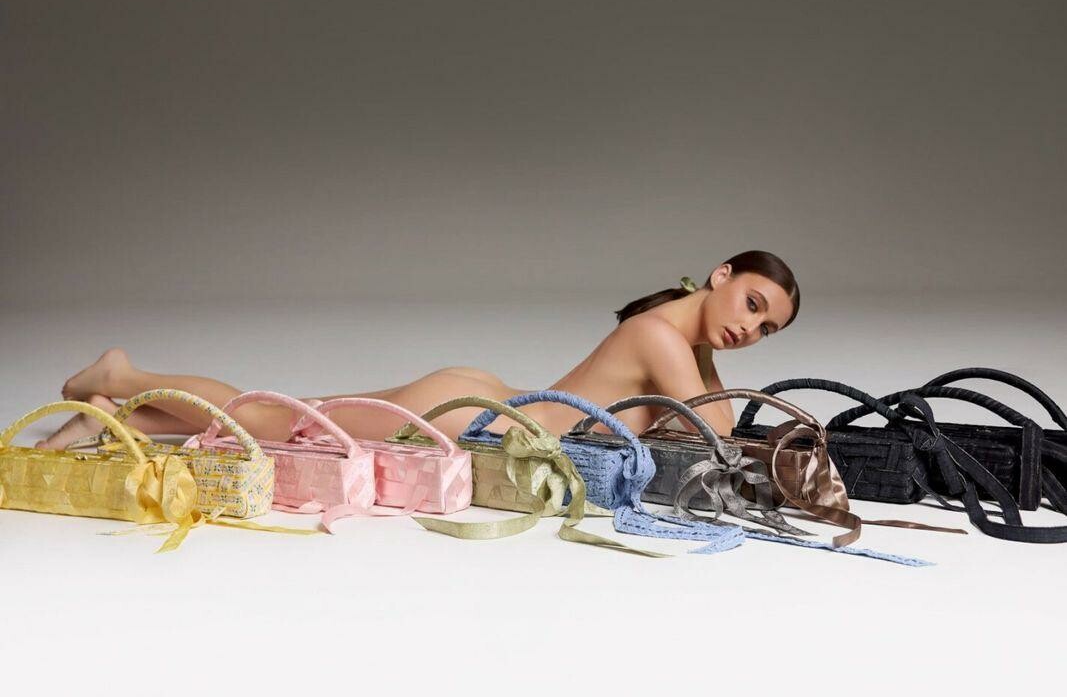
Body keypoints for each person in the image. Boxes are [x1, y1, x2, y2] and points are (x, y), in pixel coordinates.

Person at [36, 250, 799, 449]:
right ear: (719, 274)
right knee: (275, 422)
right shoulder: (664, 337)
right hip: (469, 417)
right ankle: (125, 373)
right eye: (752, 304)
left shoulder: (676, 336)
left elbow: (706, 417)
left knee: (287, 423)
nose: (750, 329)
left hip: (479, 403)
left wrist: (711, 348)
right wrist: (713, 363)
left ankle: (122, 418)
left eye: (765, 329)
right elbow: (718, 431)